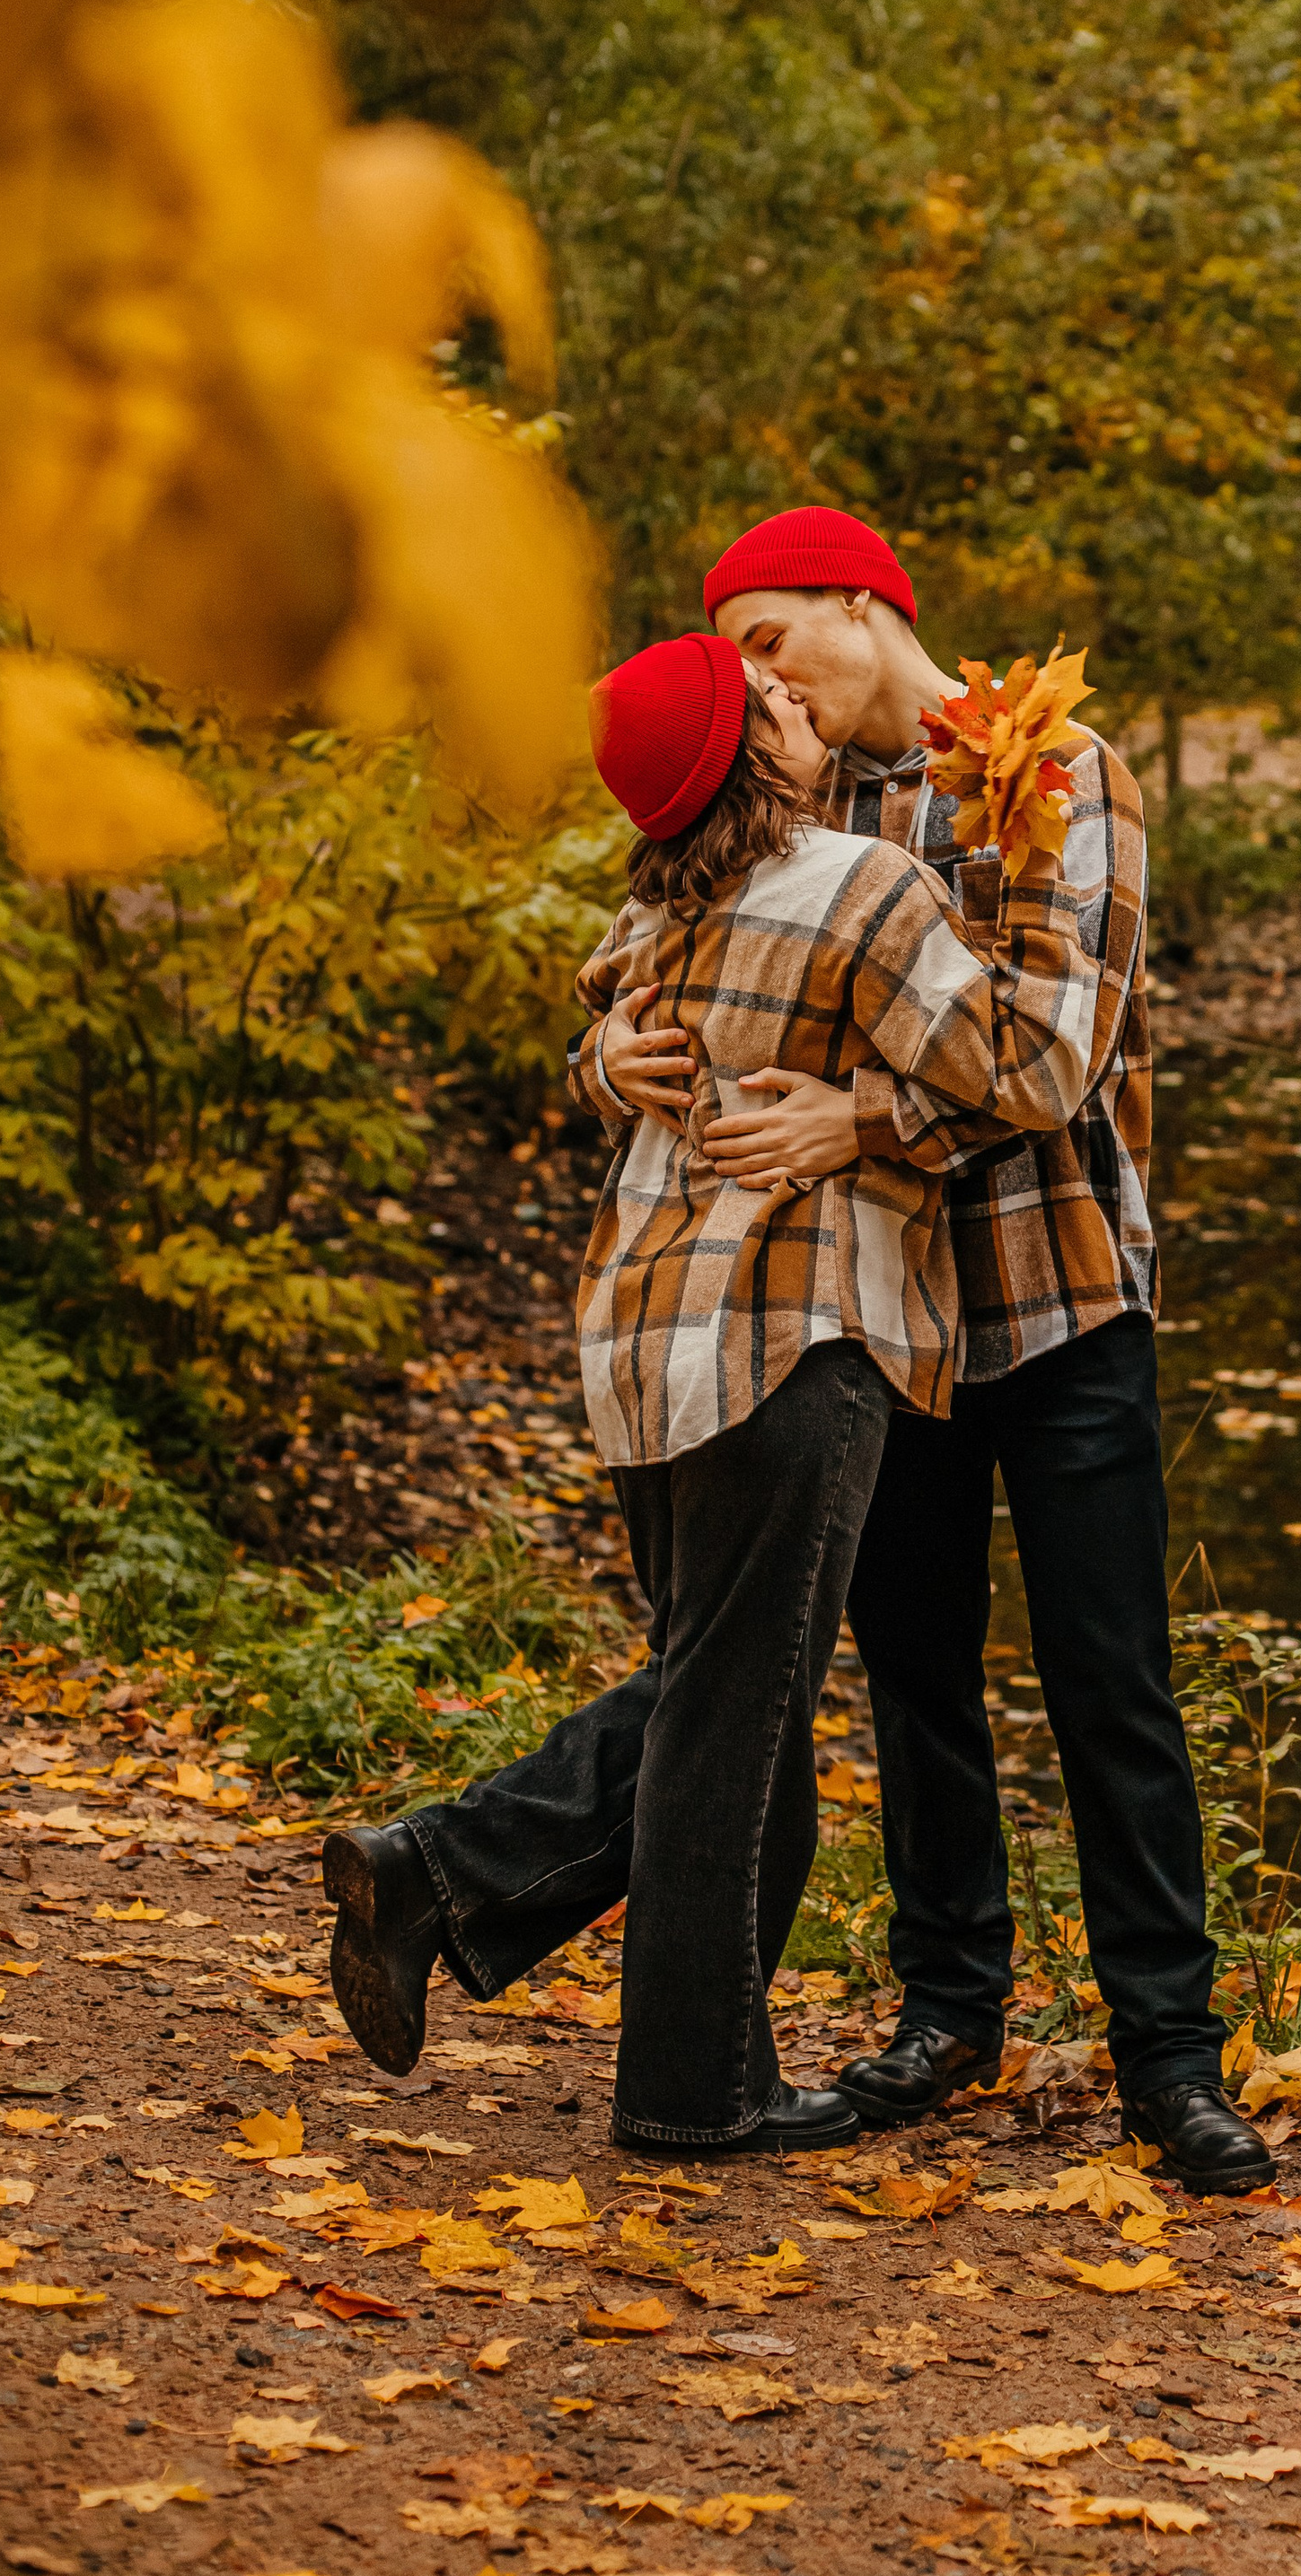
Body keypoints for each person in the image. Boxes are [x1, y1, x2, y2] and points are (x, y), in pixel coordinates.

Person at [321, 629, 1092, 2157]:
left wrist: (607, 1063)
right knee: (732, 1723)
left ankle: (451, 1883)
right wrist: (1032, 886)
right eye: (769, 702)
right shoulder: (864, 887)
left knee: (715, 1697)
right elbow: (1029, 1065)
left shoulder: (655, 908)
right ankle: (685, 2084)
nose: (795, 699)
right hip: (789, 1332)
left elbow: (601, 1029)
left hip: (642, 1343)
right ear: (743, 760)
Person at [699, 504, 1273, 2195]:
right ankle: (949, 2018)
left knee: (1113, 1680)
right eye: (737, 659)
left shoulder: (1059, 769)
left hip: (1063, 1290)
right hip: (881, 1309)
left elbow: (1057, 1058)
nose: (760, 682)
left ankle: (1169, 2056)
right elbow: (693, 992)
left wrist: (859, 1120)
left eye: (771, 639)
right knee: (918, 1676)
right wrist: (619, 1062)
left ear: (865, 603)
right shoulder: (795, 803)